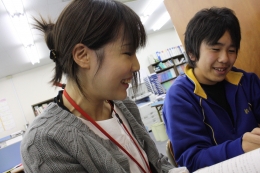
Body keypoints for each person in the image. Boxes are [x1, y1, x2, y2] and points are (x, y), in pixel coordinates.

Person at [20, 0, 174, 172]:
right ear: (83, 55)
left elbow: (156, 163)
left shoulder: (124, 107)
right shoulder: (45, 142)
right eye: (127, 52)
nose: (137, 66)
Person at [163, 7, 260, 172]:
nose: (225, 59)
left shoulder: (247, 81)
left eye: (231, 50)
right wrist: (240, 147)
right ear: (192, 53)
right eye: (215, 49)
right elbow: (191, 160)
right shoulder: (179, 97)